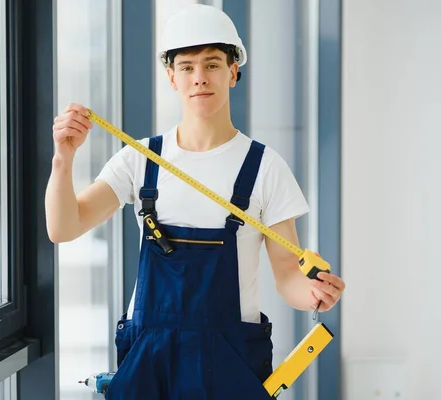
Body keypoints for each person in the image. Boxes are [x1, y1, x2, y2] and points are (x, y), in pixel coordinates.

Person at [46, 4, 345, 399]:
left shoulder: (265, 168)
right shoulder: (140, 160)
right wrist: (63, 160)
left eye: (212, 64)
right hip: (147, 361)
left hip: (231, 361)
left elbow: (287, 274)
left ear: (233, 72)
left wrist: (313, 294)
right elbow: (64, 227)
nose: (199, 78)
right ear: (171, 77)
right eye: (186, 67)